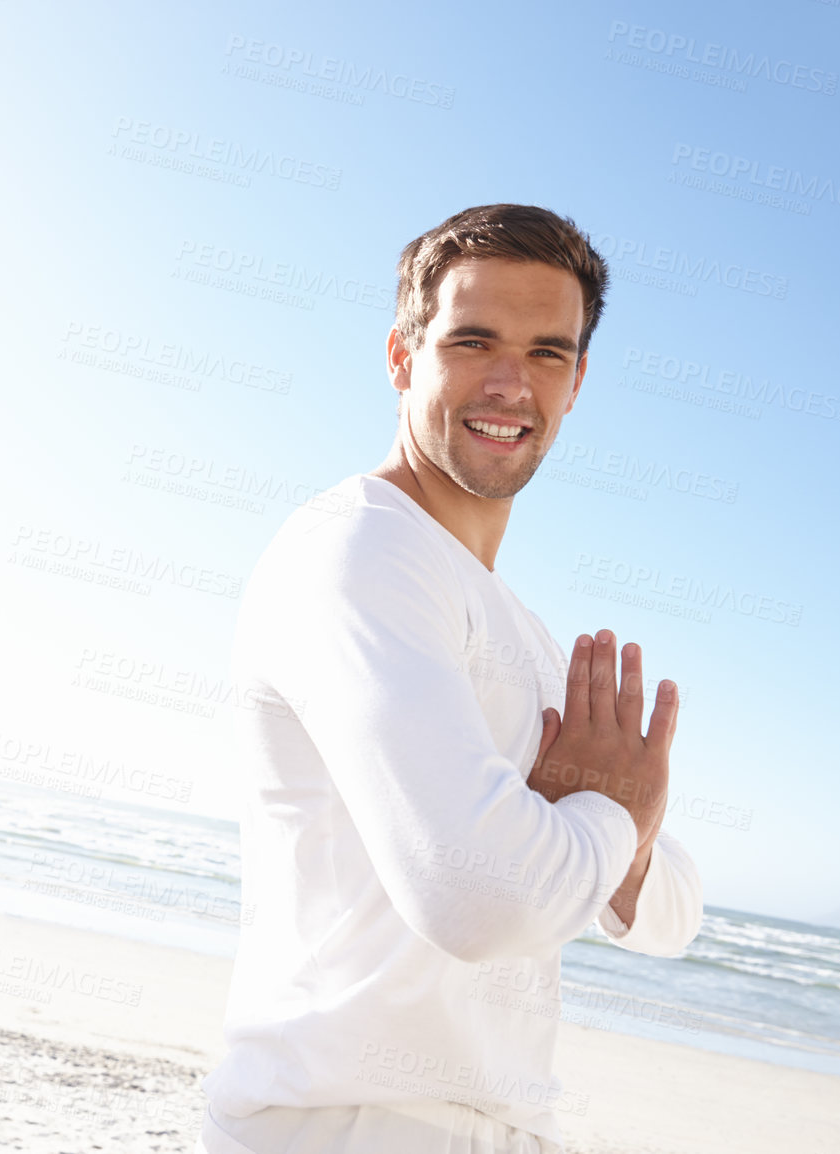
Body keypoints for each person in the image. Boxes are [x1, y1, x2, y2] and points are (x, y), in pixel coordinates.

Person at [195, 204, 703, 1154]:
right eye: (475, 341)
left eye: (549, 353)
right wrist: (608, 817)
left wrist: (607, 836)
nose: (513, 384)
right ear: (401, 355)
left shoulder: (522, 628)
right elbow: (480, 896)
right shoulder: (360, 550)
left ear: (579, 381)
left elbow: (673, 912)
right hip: (339, 1124)